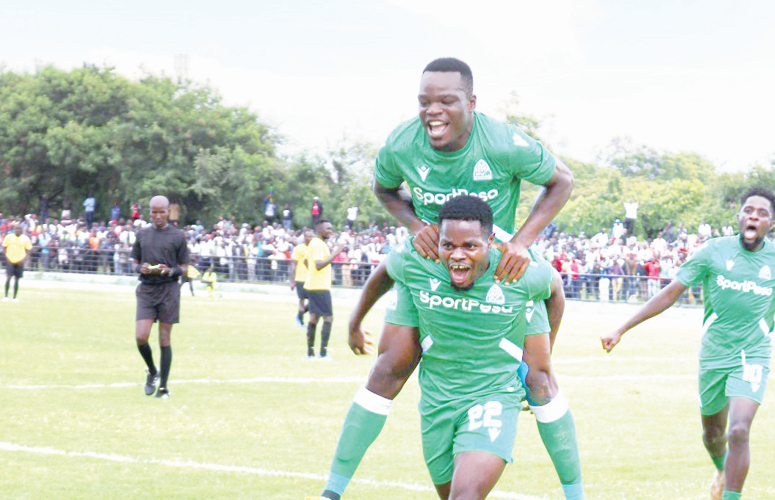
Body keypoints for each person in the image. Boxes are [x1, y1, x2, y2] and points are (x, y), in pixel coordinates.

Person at [369, 57, 582, 498]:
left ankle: (574, 489)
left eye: (446, 100)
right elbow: (383, 188)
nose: (433, 111)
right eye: (425, 101)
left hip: (504, 274)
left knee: (540, 379)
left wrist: (521, 241)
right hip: (436, 271)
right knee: (390, 367)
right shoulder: (402, 143)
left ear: (471, 101)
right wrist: (416, 227)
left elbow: (562, 180)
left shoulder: (502, 141)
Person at [317, 196, 579, 500]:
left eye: (470, 246)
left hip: (493, 397)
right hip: (437, 403)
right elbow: (385, 271)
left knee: (464, 496)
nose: (458, 256)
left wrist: (546, 349)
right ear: (436, 242)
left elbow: (555, 289)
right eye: (448, 246)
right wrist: (354, 323)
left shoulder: (516, 271)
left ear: (490, 243)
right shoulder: (418, 261)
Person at [601, 187, 775, 500]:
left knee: (739, 430)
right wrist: (622, 327)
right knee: (713, 434)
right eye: (749, 210)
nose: (753, 216)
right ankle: (721, 467)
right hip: (713, 355)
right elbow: (671, 292)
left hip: (753, 355)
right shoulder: (714, 251)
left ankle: (730, 496)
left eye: (762, 213)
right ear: (739, 216)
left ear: (770, 224)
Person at [131, 195, 188, 399]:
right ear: (150, 212)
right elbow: (134, 261)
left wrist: (170, 271)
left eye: (161, 212)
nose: (157, 215)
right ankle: (152, 371)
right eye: (153, 212)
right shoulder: (143, 234)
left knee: (164, 338)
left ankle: (163, 387)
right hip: (147, 290)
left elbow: (184, 266)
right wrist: (140, 268)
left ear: (168, 212)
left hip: (168, 291)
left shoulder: (177, 236)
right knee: (141, 336)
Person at [303, 219, 346, 358]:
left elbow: (305, 261)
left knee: (314, 318)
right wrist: (336, 252)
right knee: (328, 318)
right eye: (328, 228)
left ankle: (310, 353)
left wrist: (312, 275)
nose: (330, 231)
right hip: (320, 287)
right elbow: (319, 264)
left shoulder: (315, 243)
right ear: (319, 229)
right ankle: (323, 353)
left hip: (313, 285)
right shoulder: (318, 244)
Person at [289, 229, 314, 327]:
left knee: (313, 301)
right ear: (304, 237)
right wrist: (292, 281)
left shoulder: (314, 248)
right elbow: (294, 266)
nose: (310, 238)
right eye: (308, 236)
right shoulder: (299, 249)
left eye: (312, 236)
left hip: (312, 278)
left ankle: (300, 314)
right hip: (300, 278)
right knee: (302, 300)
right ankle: (300, 321)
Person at [2, 224, 32, 302]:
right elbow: (4, 247)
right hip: (10, 260)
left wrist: (24, 259)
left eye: (19, 229)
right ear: (14, 229)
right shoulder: (9, 237)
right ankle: (5, 296)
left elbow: (28, 249)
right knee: (8, 277)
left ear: (21, 230)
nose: (18, 230)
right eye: (16, 228)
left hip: (20, 261)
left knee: (17, 279)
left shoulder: (25, 238)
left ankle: (15, 297)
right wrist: (7, 257)